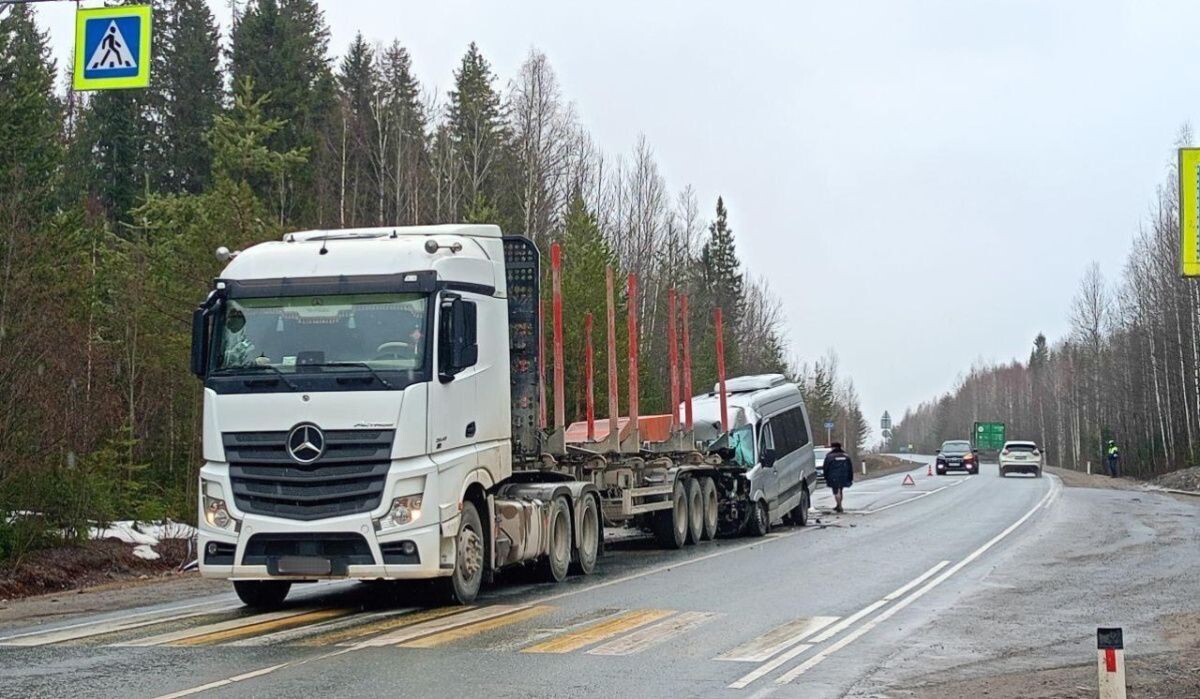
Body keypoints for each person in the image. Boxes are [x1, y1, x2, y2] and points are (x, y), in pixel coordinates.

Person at [823, 442, 854, 513]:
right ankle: (839, 505)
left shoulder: (829, 456)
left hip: (833, 476)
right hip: (844, 476)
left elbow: (825, 467)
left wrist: (826, 476)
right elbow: (850, 468)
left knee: (836, 491)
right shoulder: (846, 456)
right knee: (841, 490)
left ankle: (839, 506)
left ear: (833, 447)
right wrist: (850, 477)